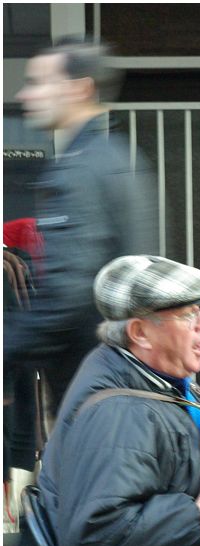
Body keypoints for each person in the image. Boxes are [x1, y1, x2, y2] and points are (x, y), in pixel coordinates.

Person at [36, 255, 200, 546]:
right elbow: (93, 540)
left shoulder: (157, 381)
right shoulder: (120, 414)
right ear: (140, 332)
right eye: (189, 314)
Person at [5, 36, 156, 419]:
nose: (25, 96)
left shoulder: (79, 171)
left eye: (38, 82)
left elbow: (67, 294)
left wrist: (7, 351)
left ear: (79, 89)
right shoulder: (120, 156)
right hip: (124, 377)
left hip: (90, 386)